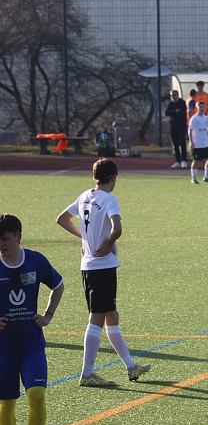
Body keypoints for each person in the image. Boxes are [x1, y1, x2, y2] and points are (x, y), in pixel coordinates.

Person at [56, 159, 151, 387]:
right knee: (97, 318)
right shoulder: (109, 199)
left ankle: (131, 366)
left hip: (88, 266)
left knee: (111, 315)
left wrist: (86, 238)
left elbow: (62, 219)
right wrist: (108, 243)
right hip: (102, 267)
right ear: (113, 177)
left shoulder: (84, 196)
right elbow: (117, 229)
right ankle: (87, 372)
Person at [0, 214, 64, 425]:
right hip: (3, 348)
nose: (0, 244)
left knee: (37, 395)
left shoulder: (36, 261)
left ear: (18, 236)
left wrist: (48, 315)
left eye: (4, 239)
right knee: (6, 402)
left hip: (31, 345)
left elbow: (58, 285)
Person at [188, 105, 208, 184]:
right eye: (200, 107)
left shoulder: (205, 118)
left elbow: (205, 130)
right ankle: (194, 178)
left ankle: (207, 177)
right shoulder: (194, 118)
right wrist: (191, 141)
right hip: (197, 143)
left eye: (203, 107)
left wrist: (207, 140)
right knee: (196, 161)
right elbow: (190, 130)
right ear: (197, 108)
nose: (202, 109)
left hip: (205, 143)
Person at [165, 90, 189, 168]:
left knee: (182, 142)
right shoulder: (171, 104)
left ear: (177, 95)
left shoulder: (182, 103)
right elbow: (167, 112)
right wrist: (175, 111)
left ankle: (184, 160)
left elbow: (182, 112)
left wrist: (173, 113)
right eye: (171, 96)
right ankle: (177, 161)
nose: (173, 97)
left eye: (174, 95)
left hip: (181, 126)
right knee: (175, 144)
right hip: (173, 125)